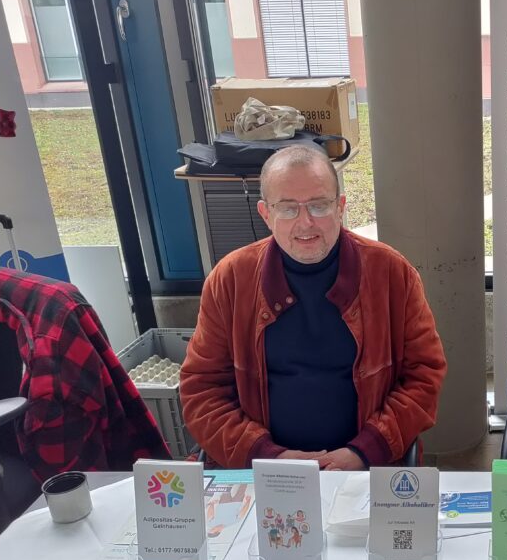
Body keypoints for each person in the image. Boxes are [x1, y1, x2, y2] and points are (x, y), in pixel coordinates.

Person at [181, 146, 447, 470]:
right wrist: (268, 456)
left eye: (319, 205)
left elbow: (424, 376)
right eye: (288, 209)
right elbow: (202, 391)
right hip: (265, 469)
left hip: (365, 466)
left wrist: (365, 451)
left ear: (340, 207)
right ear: (266, 214)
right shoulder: (230, 280)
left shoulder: (392, 274)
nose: (305, 222)